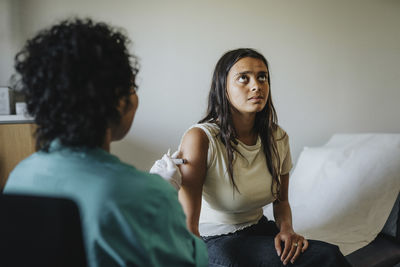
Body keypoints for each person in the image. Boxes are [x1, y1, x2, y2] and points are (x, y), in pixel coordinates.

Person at [4, 18, 207, 267]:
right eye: (132, 87)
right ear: (119, 101)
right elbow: (190, 259)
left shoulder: (20, 176)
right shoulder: (145, 196)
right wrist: (162, 193)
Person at [177, 48, 351, 266]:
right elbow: (188, 226)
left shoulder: (277, 138)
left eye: (262, 77)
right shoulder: (201, 138)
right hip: (213, 239)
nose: (256, 86)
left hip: (258, 229)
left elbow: (282, 201)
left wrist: (287, 230)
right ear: (223, 87)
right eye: (243, 78)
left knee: (327, 255)